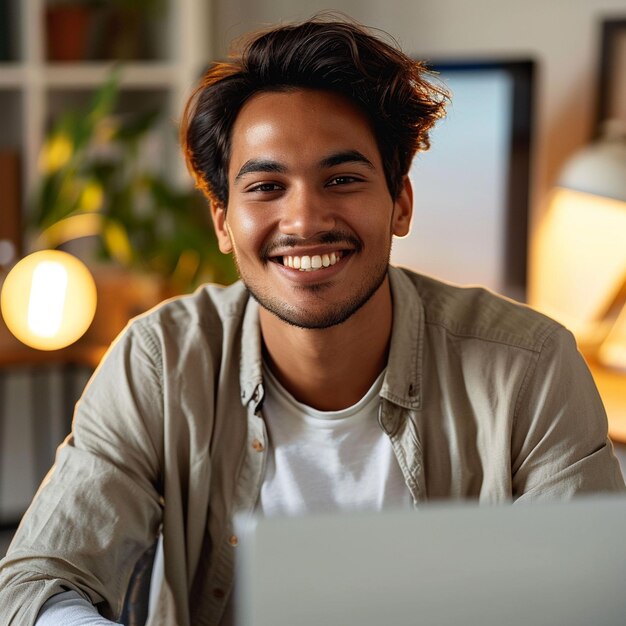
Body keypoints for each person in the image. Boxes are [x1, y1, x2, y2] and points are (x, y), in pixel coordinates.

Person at [1, 14, 624, 626]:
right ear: (222, 221)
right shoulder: (159, 360)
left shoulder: (530, 368)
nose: (304, 220)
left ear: (400, 202)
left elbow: (593, 599)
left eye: (343, 178)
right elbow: (33, 584)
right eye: (267, 187)